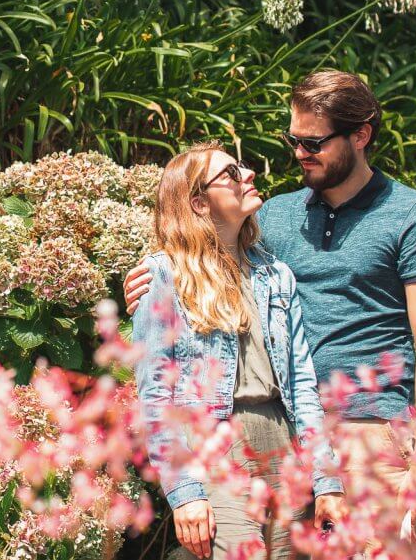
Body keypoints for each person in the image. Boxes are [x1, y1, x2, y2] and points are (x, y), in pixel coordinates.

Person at [126, 70, 416, 542]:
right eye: (294, 139)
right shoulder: (275, 216)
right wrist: (145, 284)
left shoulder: (411, 216)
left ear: (361, 135)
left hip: (371, 430)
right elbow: (202, 264)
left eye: (314, 143)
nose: (300, 153)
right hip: (289, 438)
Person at [133, 141, 345, 560]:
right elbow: (155, 398)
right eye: (230, 173)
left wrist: (326, 480)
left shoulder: (275, 275)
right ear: (197, 201)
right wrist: (183, 492)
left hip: (282, 442)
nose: (247, 174)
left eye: (243, 168)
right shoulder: (165, 276)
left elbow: (302, 385)